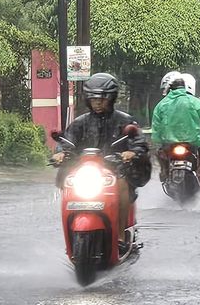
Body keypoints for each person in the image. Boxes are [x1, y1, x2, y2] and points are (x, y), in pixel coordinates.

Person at [51, 73, 150, 238]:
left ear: (111, 99)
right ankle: (69, 234)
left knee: (123, 185)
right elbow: (67, 141)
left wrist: (131, 152)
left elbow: (139, 142)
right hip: (86, 171)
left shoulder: (125, 121)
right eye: (93, 99)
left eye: (102, 99)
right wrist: (60, 153)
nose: (97, 102)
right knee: (68, 186)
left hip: (116, 169)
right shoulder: (80, 122)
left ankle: (120, 234)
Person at [151, 73, 200, 187]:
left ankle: (164, 171)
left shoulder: (161, 104)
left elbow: (156, 125)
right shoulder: (194, 101)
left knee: (159, 152)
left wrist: (158, 138)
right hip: (193, 140)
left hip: (169, 142)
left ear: (170, 88)